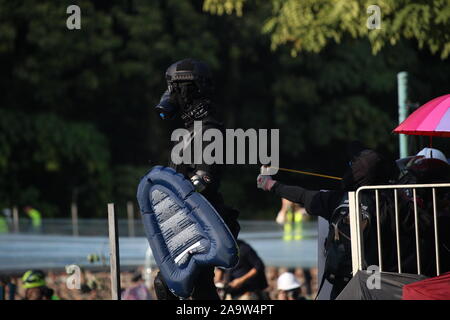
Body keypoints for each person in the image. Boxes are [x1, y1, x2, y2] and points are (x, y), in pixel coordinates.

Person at [257, 145, 398, 299]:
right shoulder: (391, 203)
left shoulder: (338, 199)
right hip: (377, 280)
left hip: (342, 279)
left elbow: (303, 196)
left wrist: (270, 184)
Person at [153, 58, 240, 300]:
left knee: (174, 283)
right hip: (184, 221)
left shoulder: (208, 129)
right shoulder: (191, 130)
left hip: (200, 220)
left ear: (186, 89)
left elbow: (203, 180)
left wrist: (175, 197)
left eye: (174, 88)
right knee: (191, 285)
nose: (170, 94)